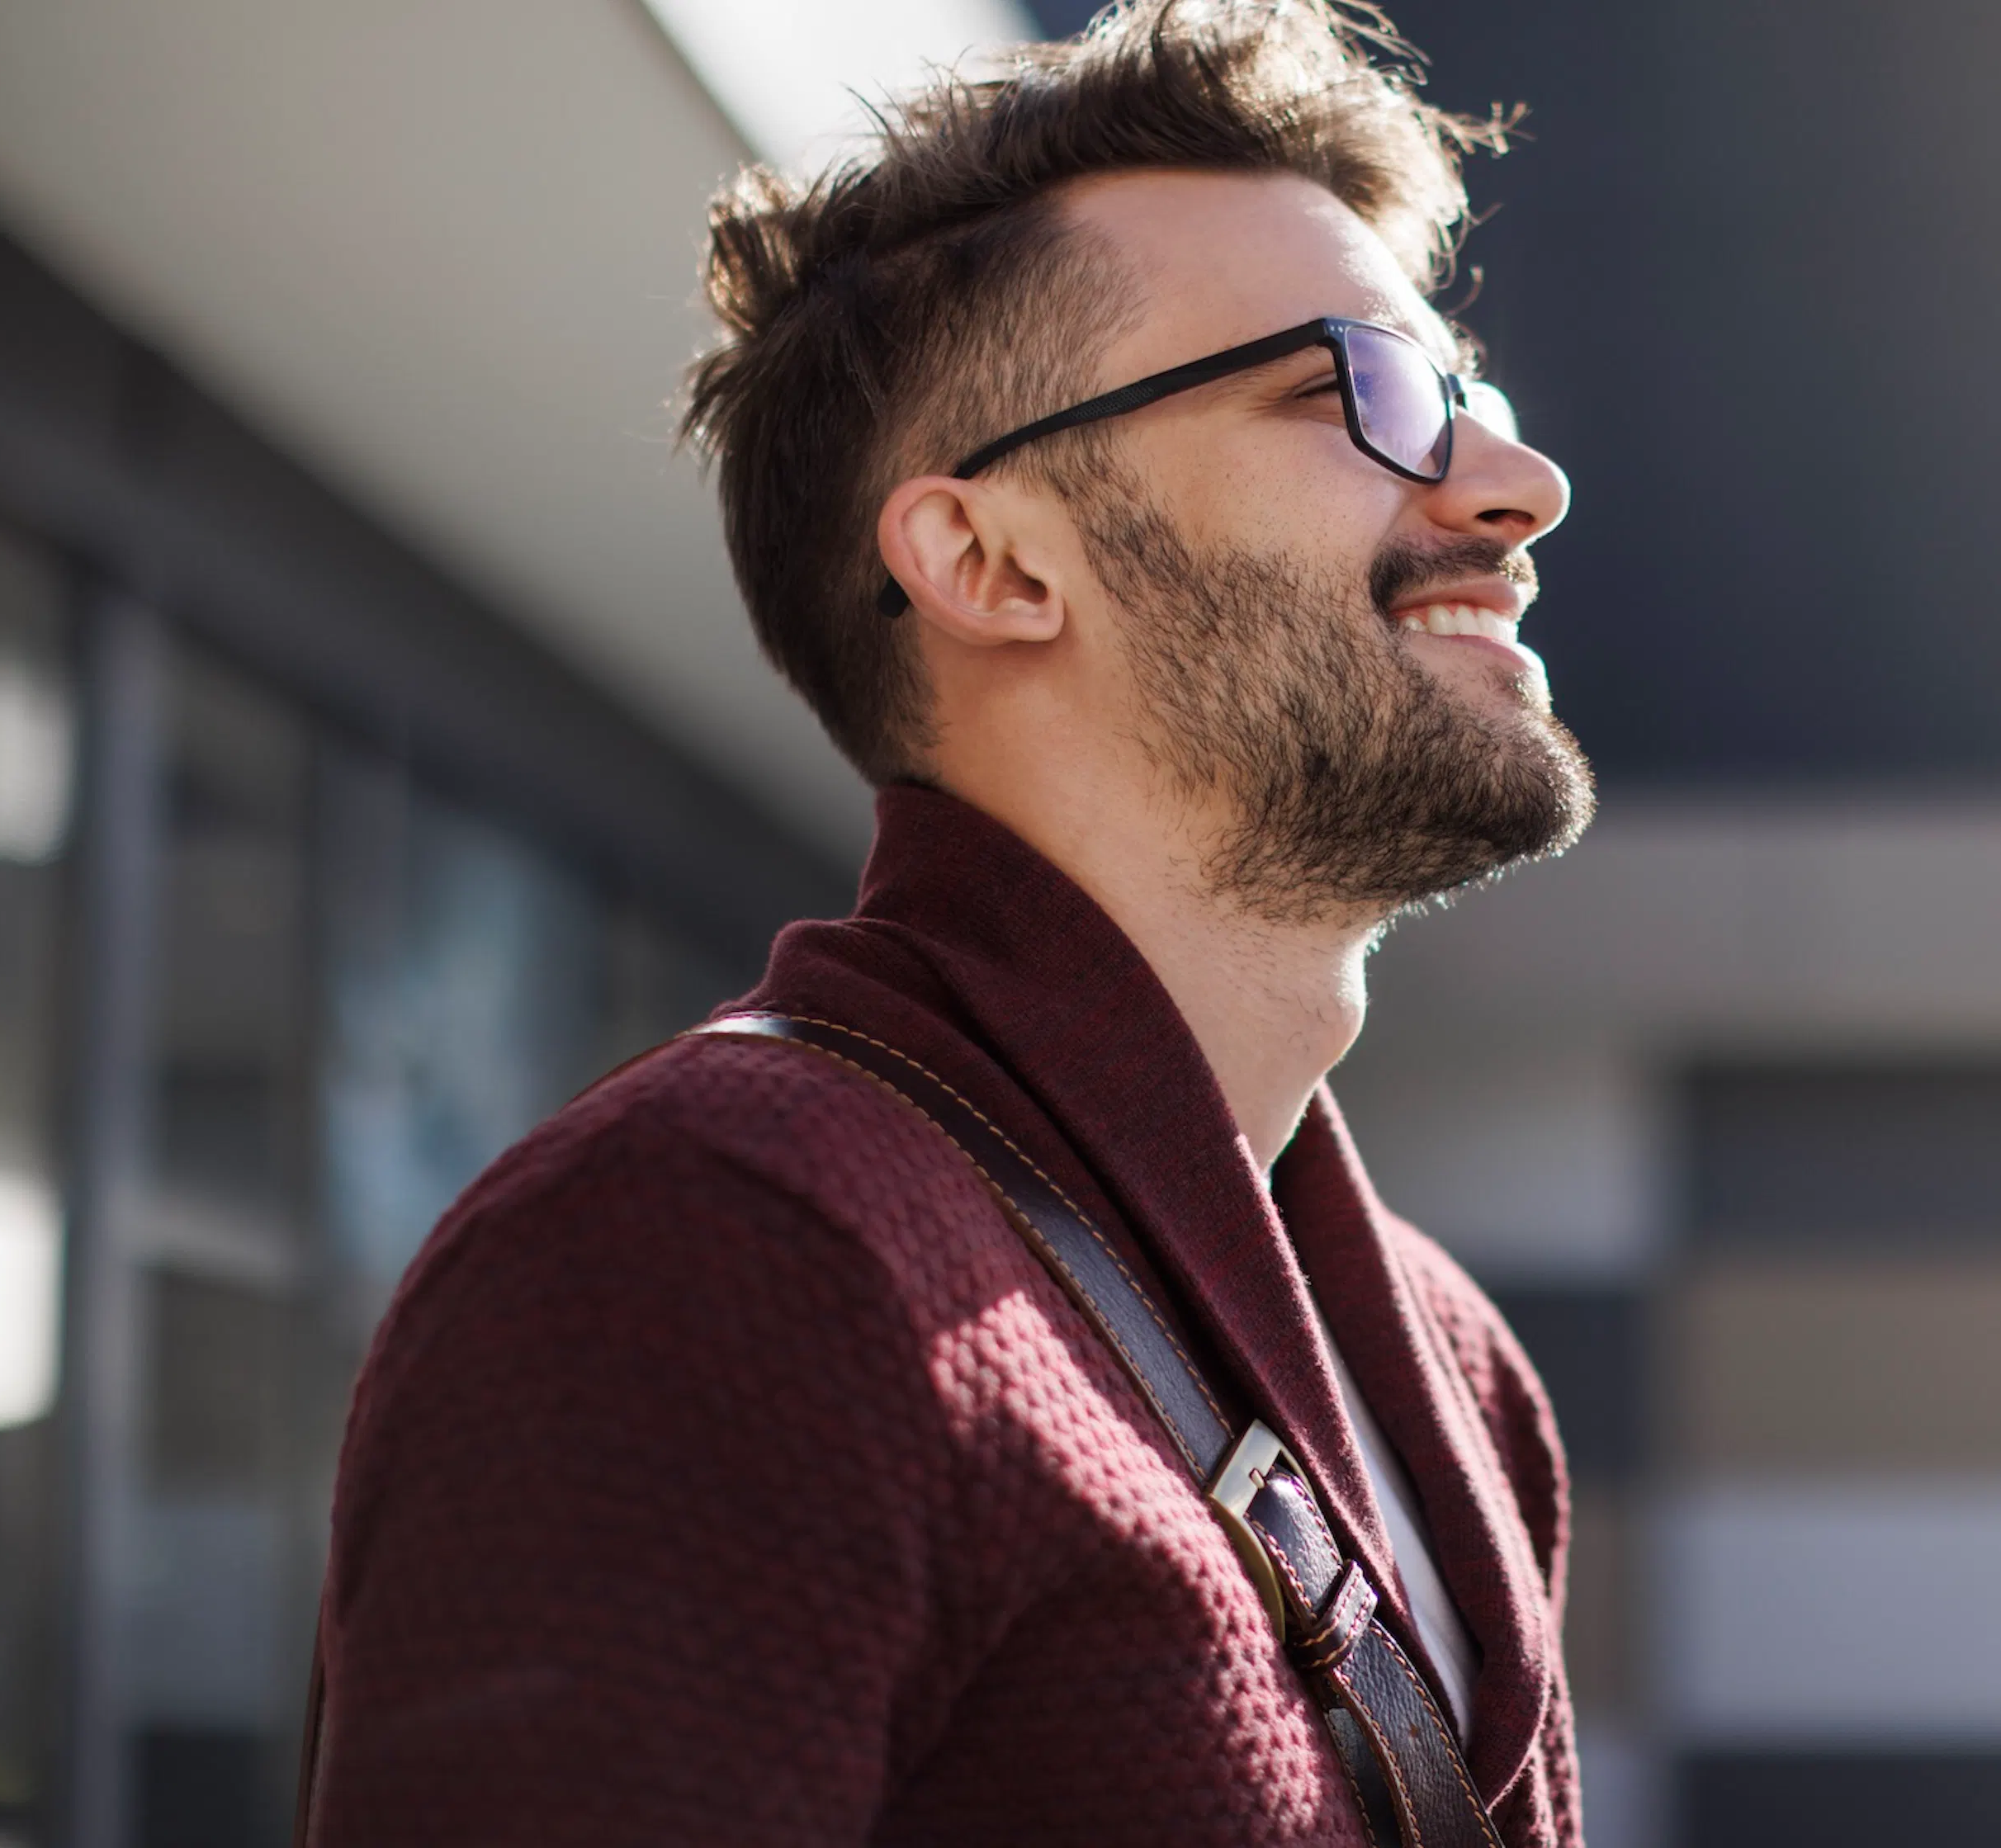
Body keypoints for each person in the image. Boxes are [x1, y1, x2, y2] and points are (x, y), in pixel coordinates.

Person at [303, 2, 1594, 1841]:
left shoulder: (1458, 1368)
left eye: (1474, 403)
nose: (1519, 490)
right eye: (1359, 391)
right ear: (989, 563)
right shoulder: (718, 1243)